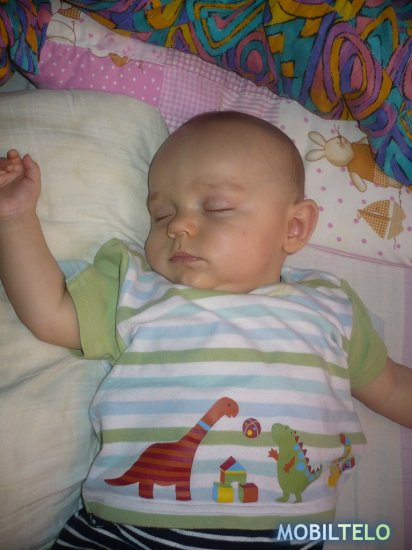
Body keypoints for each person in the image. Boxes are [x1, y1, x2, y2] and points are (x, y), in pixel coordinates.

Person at [0, 112, 411, 550]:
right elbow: (49, 313)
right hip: (128, 531)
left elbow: (390, 386)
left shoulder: (329, 307)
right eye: (160, 214)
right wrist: (15, 219)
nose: (177, 226)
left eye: (216, 207)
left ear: (293, 227)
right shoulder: (138, 291)